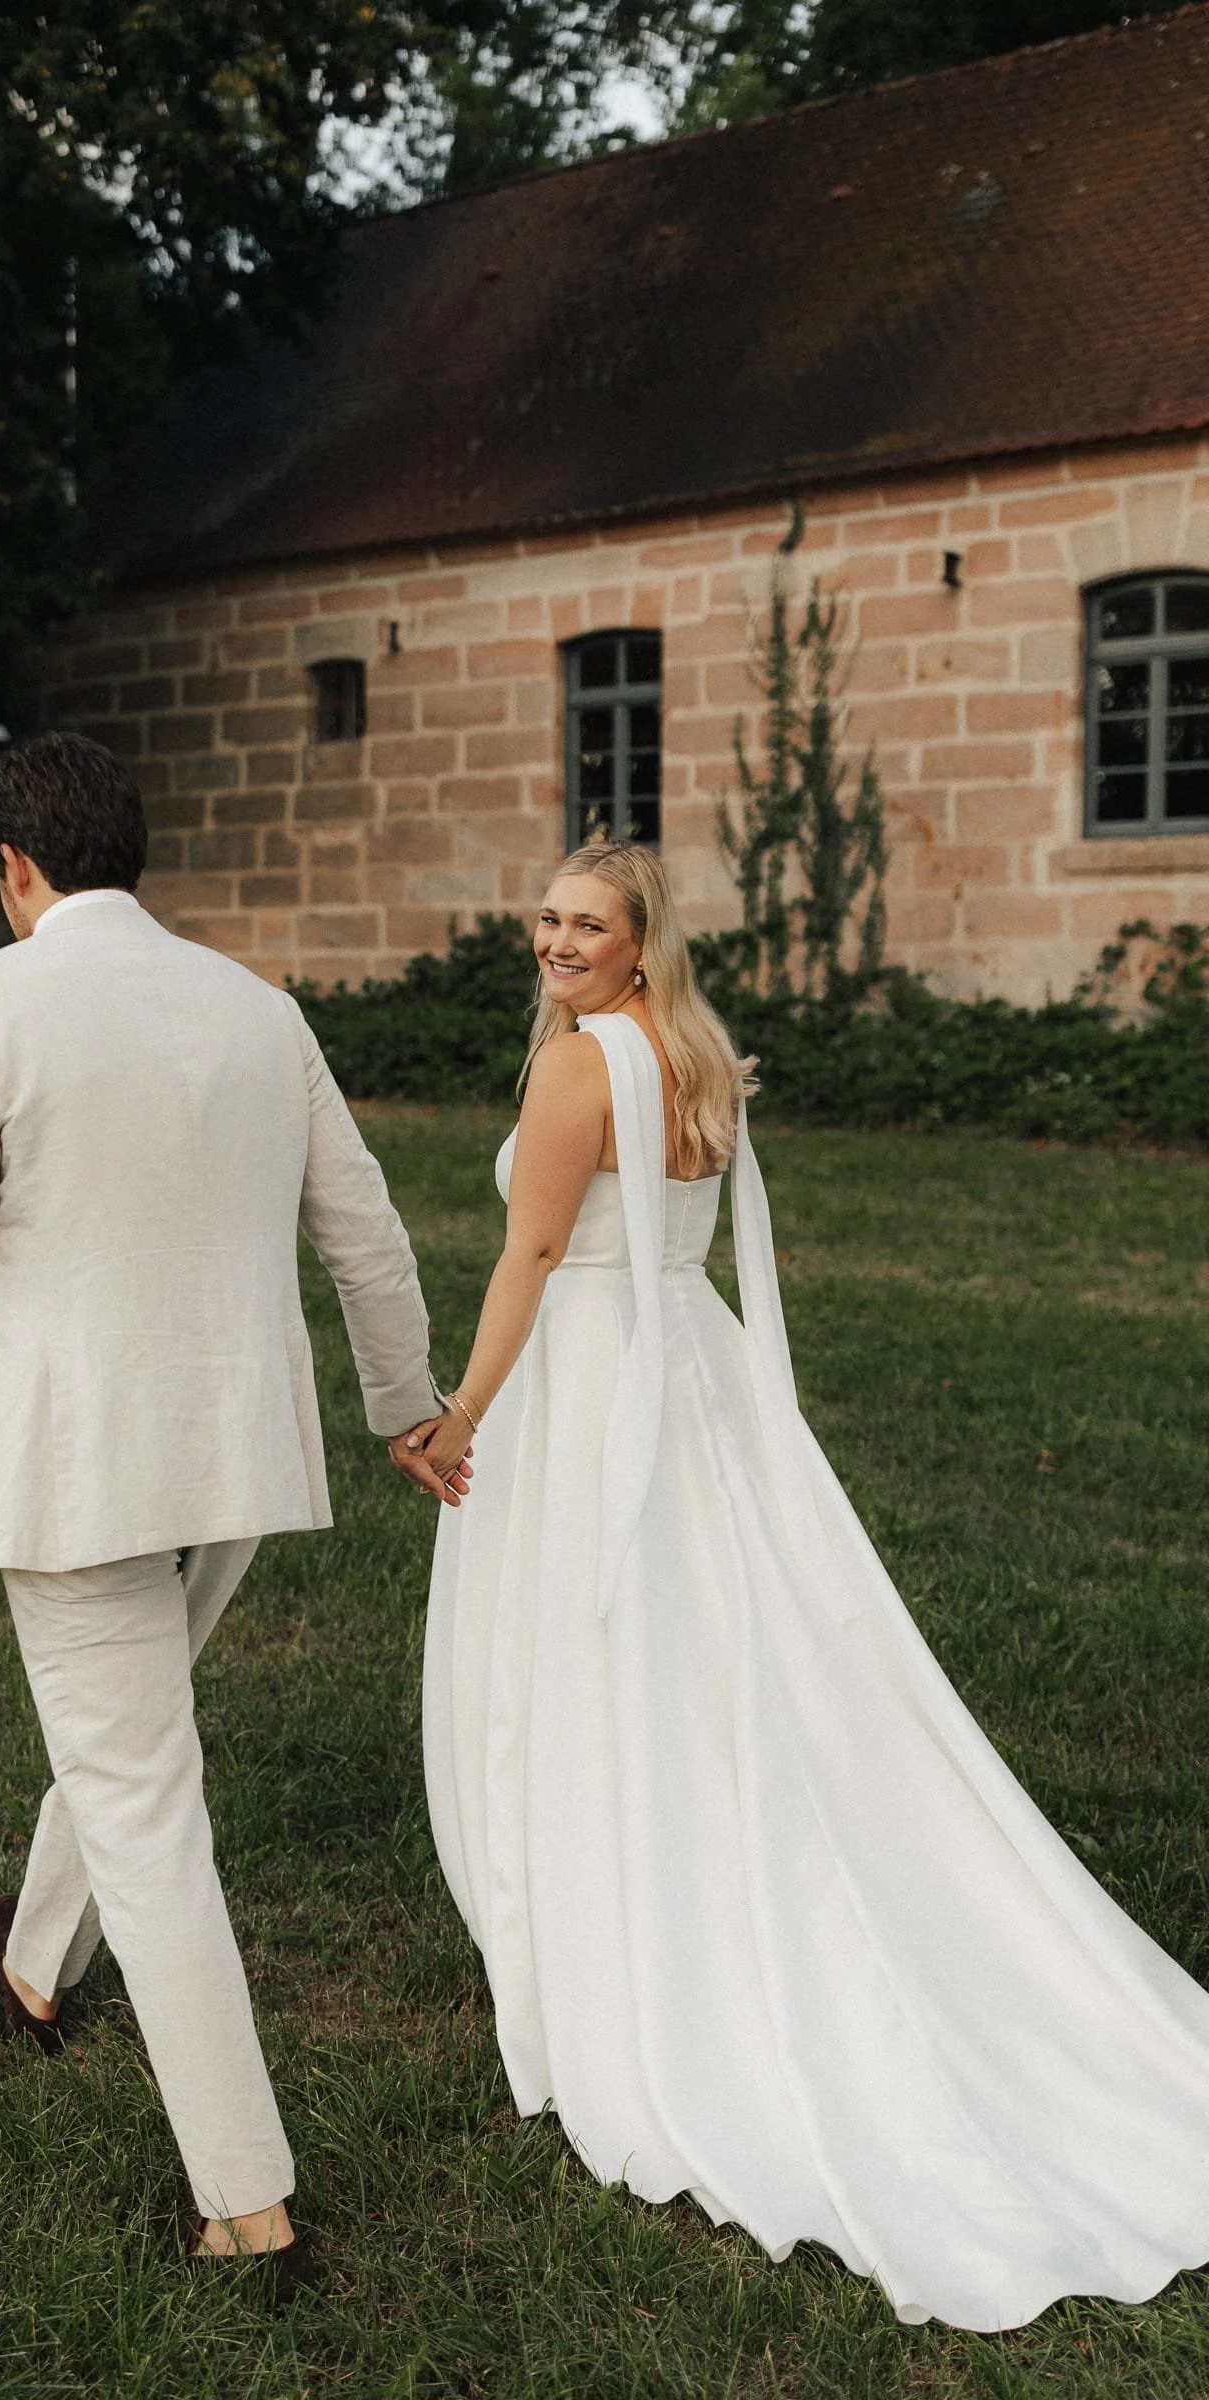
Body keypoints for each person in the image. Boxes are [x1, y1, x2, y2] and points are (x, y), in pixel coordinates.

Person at [411, 839, 1209, 2333]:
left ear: (641, 943)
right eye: (546, 918)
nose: (556, 943)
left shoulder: (581, 1064)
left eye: (587, 925)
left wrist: (462, 1413)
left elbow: (535, 1251)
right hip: (692, 1370)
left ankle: (621, 1912)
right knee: (724, 1638)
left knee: (595, 1645)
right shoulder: (697, 1056)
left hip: (594, 1383)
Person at [0, 730, 465, 2301]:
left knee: (143, 1799)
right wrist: (402, 1400)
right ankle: (32, 1966)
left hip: (76, 1468)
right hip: (233, 1456)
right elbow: (367, 1231)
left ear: (15, 865)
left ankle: (249, 2204)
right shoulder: (257, 1009)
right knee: (132, 1744)